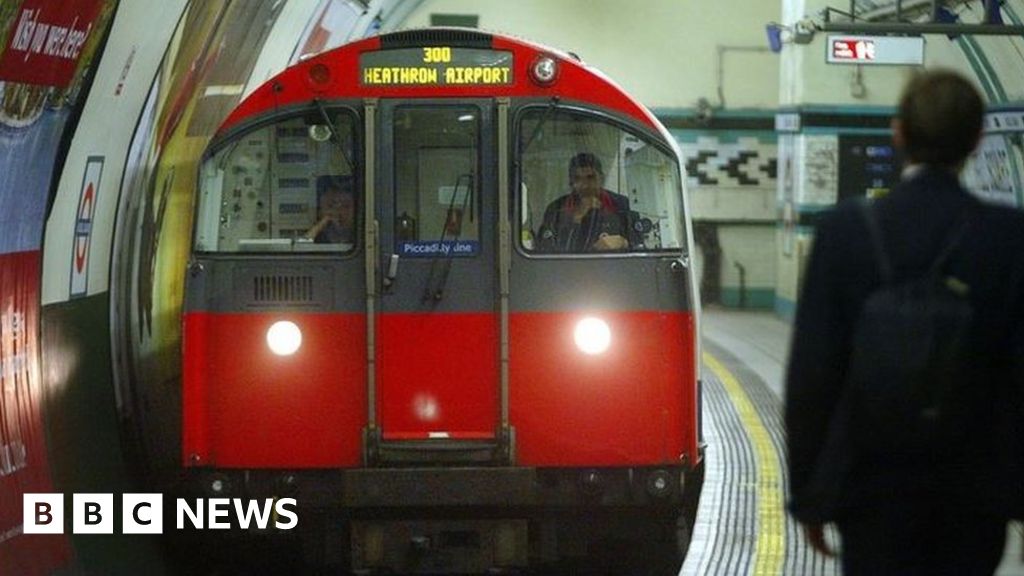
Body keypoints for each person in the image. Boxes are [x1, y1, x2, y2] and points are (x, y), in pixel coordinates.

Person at [785, 69, 1024, 575]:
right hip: (973, 492)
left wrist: (809, 494)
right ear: (978, 140)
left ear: (899, 134)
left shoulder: (845, 231)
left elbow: (813, 375)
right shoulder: (1007, 238)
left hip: (871, 487)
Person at [536, 152, 633, 252]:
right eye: (577, 179)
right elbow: (544, 249)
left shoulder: (620, 204)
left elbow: (639, 243)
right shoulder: (556, 209)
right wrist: (577, 217)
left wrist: (623, 242)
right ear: (571, 182)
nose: (584, 185)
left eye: (590, 177)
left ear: (602, 179)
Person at [305, 175, 355, 244]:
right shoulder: (322, 232)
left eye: (346, 206)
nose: (339, 211)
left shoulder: (359, 233)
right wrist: (324, 221)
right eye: (331, 206)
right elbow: (306, 243)